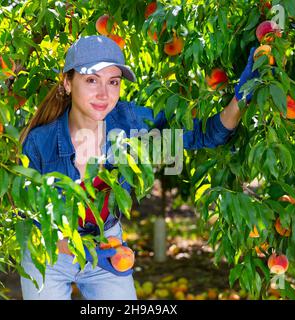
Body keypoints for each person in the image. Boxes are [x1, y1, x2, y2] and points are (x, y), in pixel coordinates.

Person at [19, 35, 257, 300]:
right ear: (67, 82)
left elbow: (205, 134)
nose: (103, 94)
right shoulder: (40, 143)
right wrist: (80, 249)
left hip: (105, 242)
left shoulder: (130, 121)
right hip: (50, 252)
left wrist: (241, 97)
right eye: (91, 80)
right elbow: (27, 222)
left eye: (113, 82)